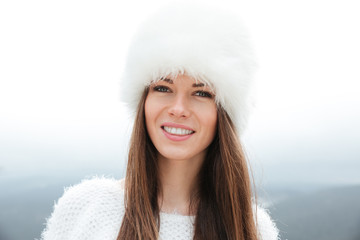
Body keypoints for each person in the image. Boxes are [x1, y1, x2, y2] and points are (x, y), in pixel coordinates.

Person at [40, 2, 279, 240]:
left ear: (224, 114)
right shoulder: (85, 207)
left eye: (201, 93)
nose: (178, 109)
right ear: (143, 101)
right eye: (163, 87)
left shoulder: (253, 228)